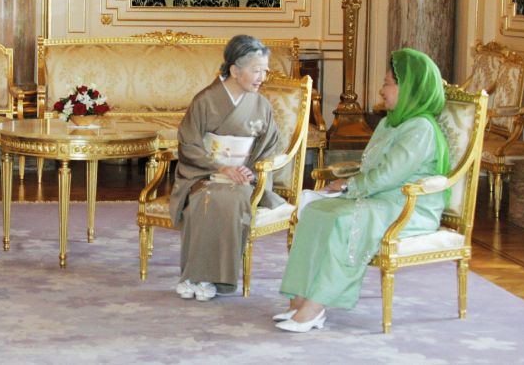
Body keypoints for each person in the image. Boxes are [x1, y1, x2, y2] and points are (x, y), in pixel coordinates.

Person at [275, 48, 448, 332]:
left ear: (409, 88)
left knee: (343, 220)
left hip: (408, 206)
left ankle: (317, 305)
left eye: (388, 83)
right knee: (316, 210)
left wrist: (350, 186)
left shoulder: (421, 128)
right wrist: (344, 184)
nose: (382, 90)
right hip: (377, 200)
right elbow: (370, 167)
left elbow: (390, 175)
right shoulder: (389, 122)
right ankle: (300, 298)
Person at [171, 35, 283, 302]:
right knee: (204, 200)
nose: (262, 77)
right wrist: (219, 168)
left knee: (230, 200)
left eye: (264, 71)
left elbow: (268, 148)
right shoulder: (205, 100)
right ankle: (193, 275)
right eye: (256, 71)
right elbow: (189, 144)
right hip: (205, 173)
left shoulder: (261, 105)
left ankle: (215, 279)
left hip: (242, 178)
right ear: (234, 70)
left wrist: (250, 172)